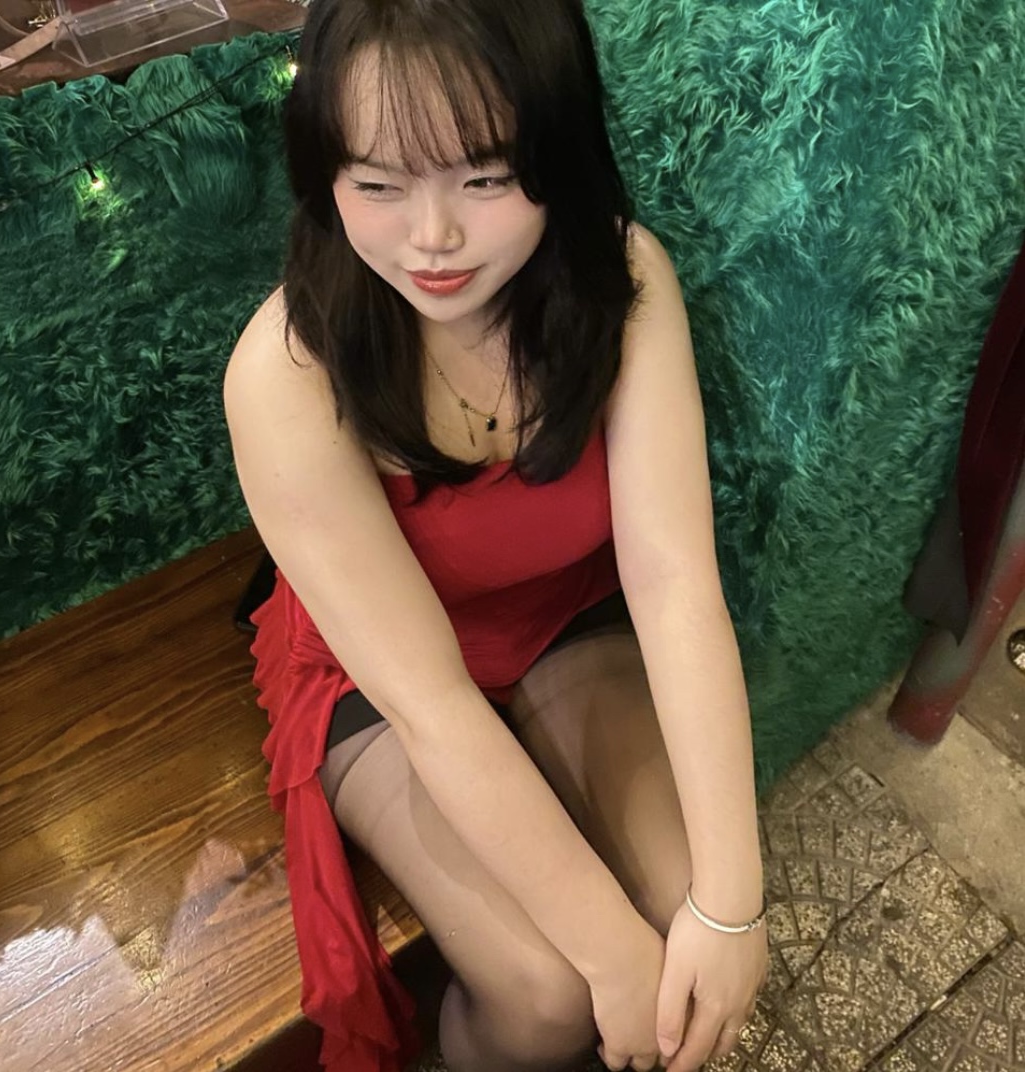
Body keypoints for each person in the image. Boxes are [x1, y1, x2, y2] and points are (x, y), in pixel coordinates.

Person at [223, 0, 768, 1069]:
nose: (432, 238)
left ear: (557, 151)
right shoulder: (285, 373)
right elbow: (427, 702)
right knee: (545, 997)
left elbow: (672, 583)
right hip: (376, 681)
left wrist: (733, 906)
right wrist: (609, 960)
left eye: (483, 178)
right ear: (324, 173)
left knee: (684, 915)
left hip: (557, 615)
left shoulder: (621, 283)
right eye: (377, 184)